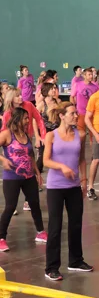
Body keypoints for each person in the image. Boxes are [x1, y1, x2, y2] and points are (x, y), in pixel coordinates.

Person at [43, 102, 92, 280]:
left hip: (74, 187)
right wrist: (62, 167)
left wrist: (84, 180)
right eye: (72, 113)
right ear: (62, 116)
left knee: (76, 224)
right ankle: (51, 268)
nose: (76, 116)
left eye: (76, 113)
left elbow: (82, 159)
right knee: (55, 227)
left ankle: (76, 261)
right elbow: (46, 161)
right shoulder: (51, 136)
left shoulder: (81, 134)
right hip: (55, 187)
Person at [0, 108, 47, 252]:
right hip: (12, 177)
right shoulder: (7, 134)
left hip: (28, 176)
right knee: (10, 206)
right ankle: (1, 238)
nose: (28, 121)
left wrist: (37, 172)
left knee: (35, 204)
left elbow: (30, 155)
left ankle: (40, 232)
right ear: (17, 119)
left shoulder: (26, 134)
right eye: (25, 118)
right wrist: (3, 160)